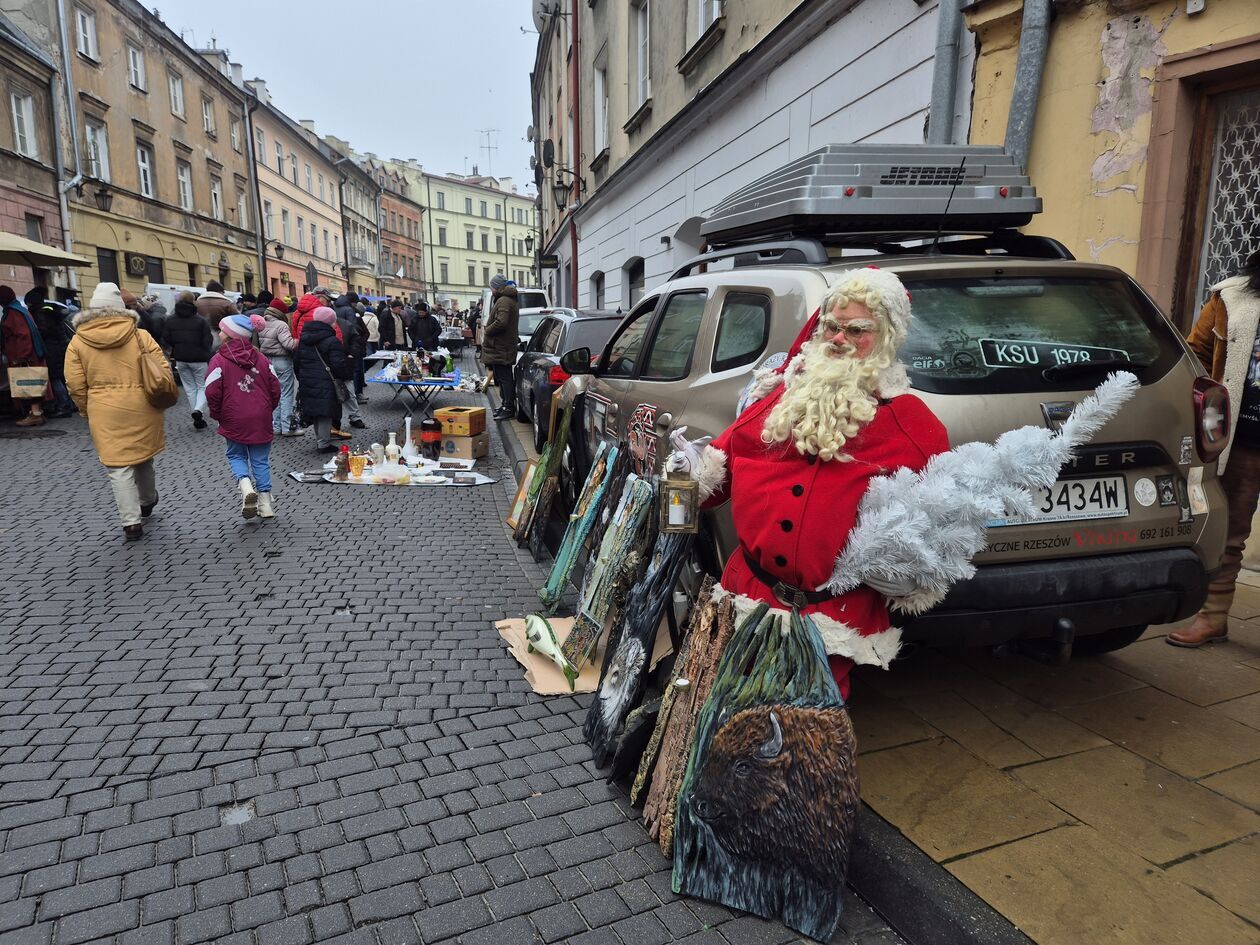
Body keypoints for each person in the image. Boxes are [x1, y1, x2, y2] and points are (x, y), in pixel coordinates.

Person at [666, 269, 949, 699]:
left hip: (829, 618)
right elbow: (708, 485)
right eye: (832, 326)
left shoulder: (913, 427)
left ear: (887, 338)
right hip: (749, 601)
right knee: (727, 716)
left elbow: (945, 532)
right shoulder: (777, 402)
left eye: (858, 330)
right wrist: (678, 485)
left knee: (808, 733)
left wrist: (911, 578)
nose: (839, 338)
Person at [1169, 249, 1260, 646]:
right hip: (1244, 437)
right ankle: (1213, 617)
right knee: (1229, 532)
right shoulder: (1231, 297)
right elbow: (1196, 354)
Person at [64, 282, 170, 539]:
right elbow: (162, 370)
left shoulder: (78, 341)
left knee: (117, 466)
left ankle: (131, 522)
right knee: (143, 455)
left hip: (104, 410)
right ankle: (147, 500)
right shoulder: (140, 336)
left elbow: (75, 383)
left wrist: (86, 409)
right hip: (142, 404)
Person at [206, 314, 282, 519]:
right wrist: (268, 408)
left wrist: (217, 413)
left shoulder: (219, 360)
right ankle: (266, 504)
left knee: (236, 454)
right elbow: (275, 387)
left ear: (230, 335)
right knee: (260, 459)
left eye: (222, 330)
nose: (219, 333)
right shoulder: (262, 358)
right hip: (261, 415)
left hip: (233, 415)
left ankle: (245, 485)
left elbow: (211, 391)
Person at [294, 305, 353, 453]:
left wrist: (302, 378)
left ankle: (321, 440)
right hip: (326, 381)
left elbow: (297, 361)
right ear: (330, 322)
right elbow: (338, 364)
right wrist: (344, 375)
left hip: (308, 380)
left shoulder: (304, 337)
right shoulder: (331, 340)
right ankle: (324, 444)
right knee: (326, 412)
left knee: (316, 412)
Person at [159, 291, 214, 429]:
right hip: (199, 358)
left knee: (189, 388)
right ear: (193, 301)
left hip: (180, 358)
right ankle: (198, 410)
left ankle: (197, 414)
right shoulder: (201, 321)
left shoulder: (170, 320)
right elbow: (208, 341)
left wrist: (176, 348)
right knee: (202, 386)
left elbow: (166, 338)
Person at [1, 285, 49, 426]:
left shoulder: (13, 313)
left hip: (25, 355)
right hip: (29, 354)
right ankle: (36, 413)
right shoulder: (18, 309)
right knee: (31, 382)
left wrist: (21, 356)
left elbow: (23, 335)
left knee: (29, 382)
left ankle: (35, 414)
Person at [26, 287, 76, 418]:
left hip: (52, 348)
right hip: (61, 346)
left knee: (54, 377)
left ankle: (64, 406)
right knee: (62, 377)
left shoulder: (39, 313)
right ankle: (71, 404)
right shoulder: (50, 308)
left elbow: (44, 330)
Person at [258, 297, 301, 436]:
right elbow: (288, 344)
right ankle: (287, 427)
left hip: (267, 361)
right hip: (282, 360)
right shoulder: (281, 325)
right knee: (286, 393)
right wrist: (298, 341)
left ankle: (276, 426)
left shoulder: (262, 323)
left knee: (274, 394)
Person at [481, 274, 520, 420]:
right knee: (502, 377)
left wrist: (488, 330)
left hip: (501, 347)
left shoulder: (504, 300)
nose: (491, 290)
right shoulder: (506, 299)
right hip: (501, 346)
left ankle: (508, 407)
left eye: (492, 287)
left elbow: (502, 322)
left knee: (505, 378)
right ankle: (505, 405)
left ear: (497, 287)